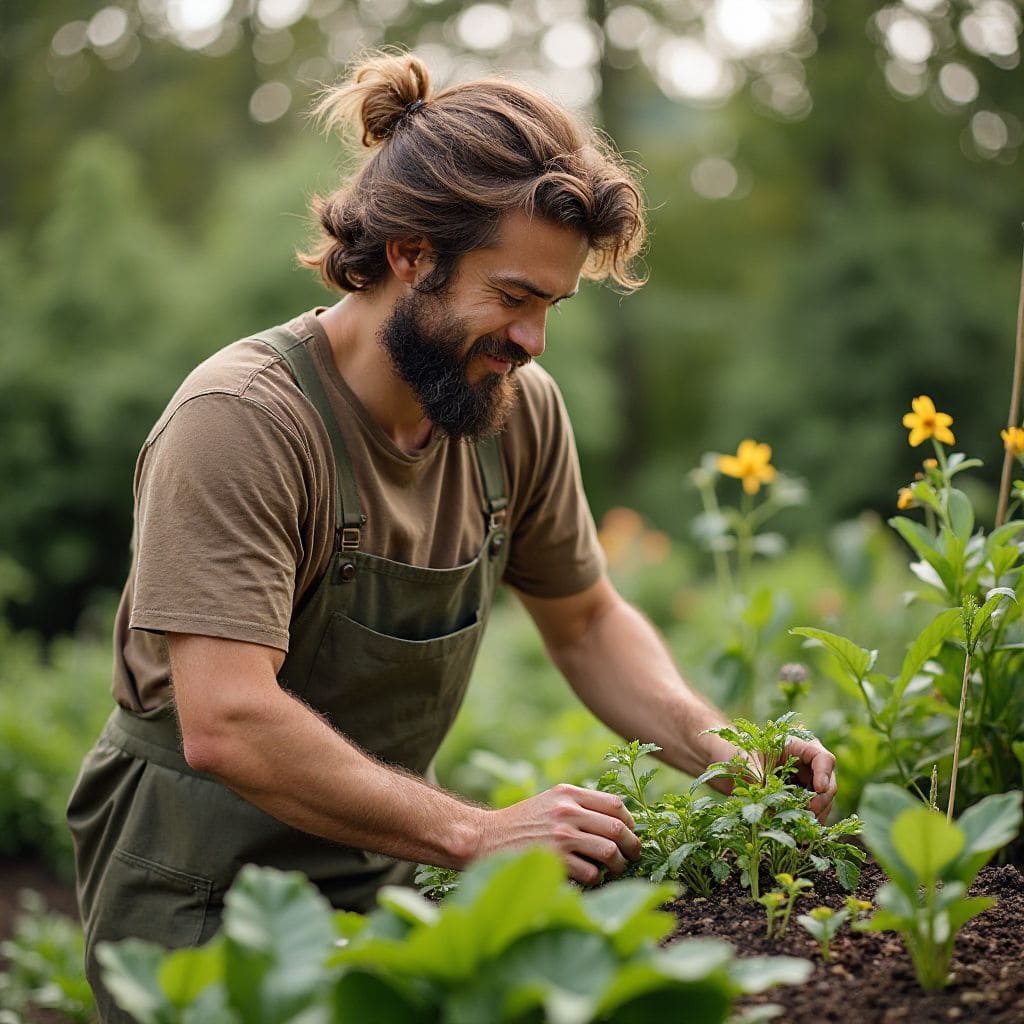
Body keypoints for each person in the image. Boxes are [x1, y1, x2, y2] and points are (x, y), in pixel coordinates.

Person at [67, 53, 837, 1021]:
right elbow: (227, 721)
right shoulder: (242, 421)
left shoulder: (513, 410)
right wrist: (473, 832)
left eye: (550, 306)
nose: (531, 341)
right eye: (513, 297)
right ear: (408, 254)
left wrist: (723, 748)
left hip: (392, 854)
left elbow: (587, 621)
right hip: (200, 880)